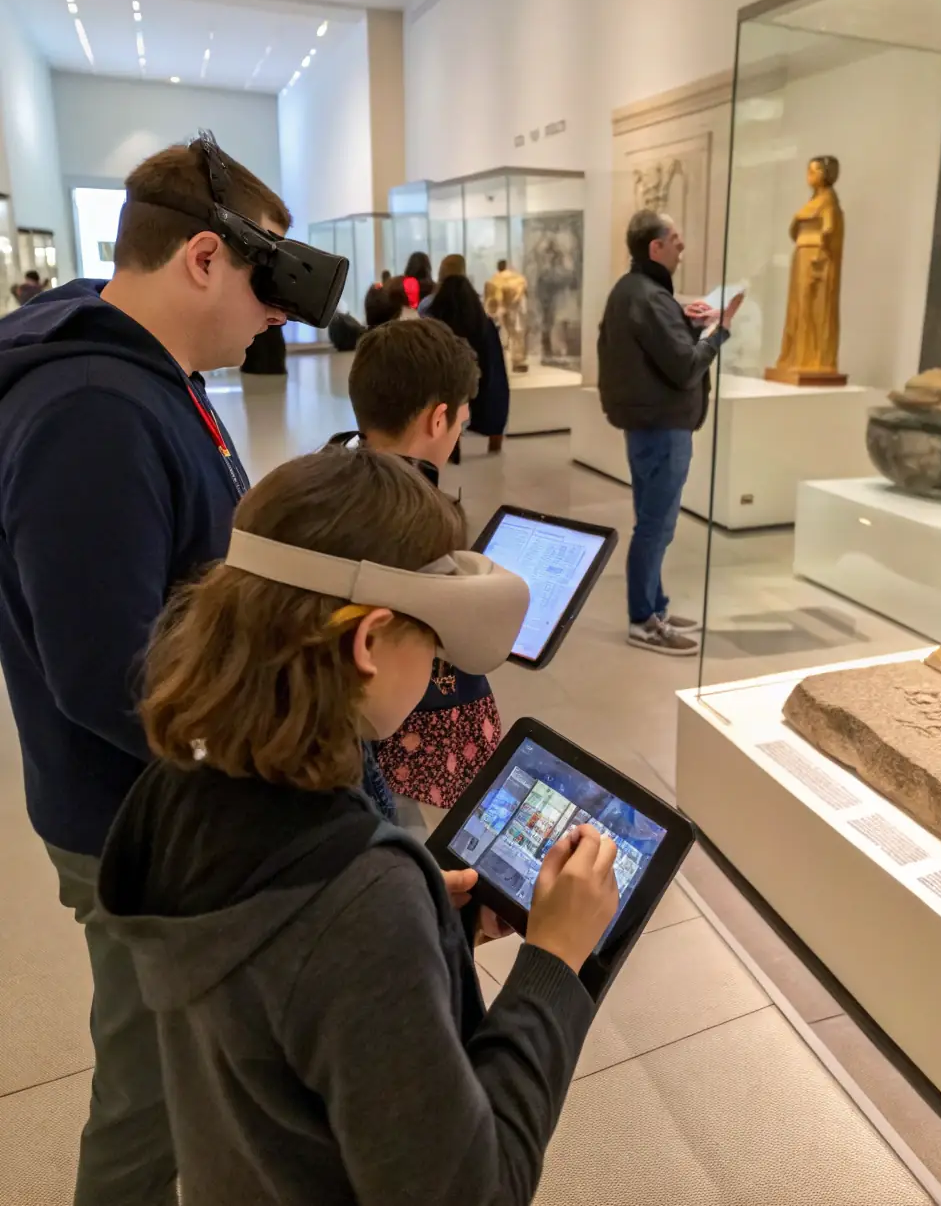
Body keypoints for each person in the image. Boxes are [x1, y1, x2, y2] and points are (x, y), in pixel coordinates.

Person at [96, 448, 618, 1205]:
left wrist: (432, 931)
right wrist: (553, 963)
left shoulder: (179, 790)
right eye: (432, 644)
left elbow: (284, 995)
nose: (435, 668)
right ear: (368, 642)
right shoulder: (360, 903)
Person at [0, 139, 292, 1206]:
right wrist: (256, 756)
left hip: (158, 798)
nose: (276, 318)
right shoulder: (96, 410)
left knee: (179, 1074)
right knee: (151, 1091)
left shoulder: (148, 375)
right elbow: (101, 669)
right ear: (205, 258)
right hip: (135, 814)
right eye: (266, 290)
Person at [342, 317, 503, 825]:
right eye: (460, 422)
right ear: (439, 420)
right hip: (411, 733)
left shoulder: (332, 473)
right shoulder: (420, 515)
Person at [597, 209, 743, 656]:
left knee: (653, 523)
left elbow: (659, 350)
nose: (682, 245)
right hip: (661, 426)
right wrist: (718, 333)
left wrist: (689, 324)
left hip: (649, 424)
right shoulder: (648, 296)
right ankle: (643, 621)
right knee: (655, 526)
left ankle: (654, 607)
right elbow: (683, 367)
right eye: (674, 238)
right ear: (654, 247)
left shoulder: (634, 291)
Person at [427, 272, 510, 455]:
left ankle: (452, 444)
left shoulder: (438, 325)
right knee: (494, 391)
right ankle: (494, 444)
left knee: (449, 399)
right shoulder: (483, 324)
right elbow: (494, 363)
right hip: (480, 371)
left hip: (448, 375)